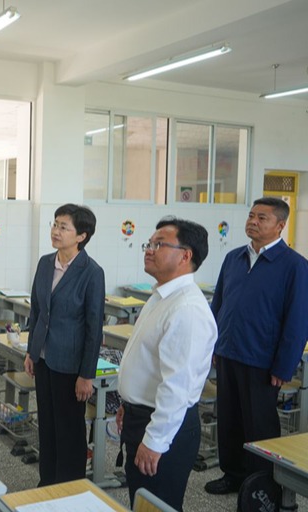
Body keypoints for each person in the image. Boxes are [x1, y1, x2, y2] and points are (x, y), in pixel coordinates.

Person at [204, 197, 308, 495]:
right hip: (228, 351)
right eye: (251, 215)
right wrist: (212, 345)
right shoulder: (234, 258)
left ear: (280, 225)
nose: (253, 221)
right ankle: (233, 475)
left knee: (259, 423)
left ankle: (261, 483)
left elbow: (298, 321)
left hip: (262, 359)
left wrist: (284, 366)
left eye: (262, 218)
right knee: (229, 418)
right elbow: (218, 304)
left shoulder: (294, 266)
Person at [116, 217, 217, 511]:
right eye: (149, 244)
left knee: (157, 504)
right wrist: (128, 402)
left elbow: (177, 387)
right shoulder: (162, 296)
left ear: (185, 256)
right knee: (142, 501)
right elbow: (149, 362)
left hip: (165, 426)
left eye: (159, 244)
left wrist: (155, 441)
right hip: (144, 416)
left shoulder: (187, 309)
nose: (149, 250)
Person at [23, 204, 105, 486]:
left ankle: (69, 490)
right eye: (55, 224)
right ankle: (47, 484)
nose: (55, 231)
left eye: (63, 227)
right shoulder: (46, 263)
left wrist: (86, 375)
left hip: (70, 365)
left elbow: (94, 328)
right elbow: (36, 310)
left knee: (69, 431)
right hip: (44, 360)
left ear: (81, 236)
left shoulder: (91, 272)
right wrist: (32, 351)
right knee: (47, 425)